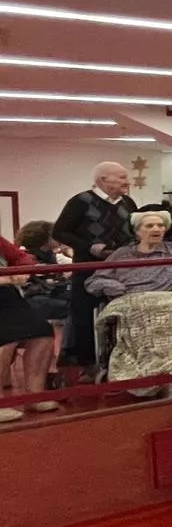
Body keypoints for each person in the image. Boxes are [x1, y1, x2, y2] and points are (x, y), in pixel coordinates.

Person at [86, 210, 172, 392]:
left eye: (160, 225)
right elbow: (93, 281)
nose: (156, 229)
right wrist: (112, 285)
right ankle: (150, 370)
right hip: (136, 300)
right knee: (143, 318)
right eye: (150, 226)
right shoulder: (121, 254)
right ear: (137, 231)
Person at [53, 161, 138, 376]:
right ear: (103, 179)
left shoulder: (128, 203)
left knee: (122, 310)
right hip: (88, 267)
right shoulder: (81, 202)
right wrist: (90, 247)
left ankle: (122, 357)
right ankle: (87, 362)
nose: (126, 181)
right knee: (85, 313)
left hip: (122, 268)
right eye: (120, 177)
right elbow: (60, 232)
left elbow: (135, 231)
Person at [0, 236, 58, 422]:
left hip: (6, 296)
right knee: (6, 340)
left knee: (43, 333)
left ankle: (34, 396)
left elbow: (21, 256)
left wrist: (22, 270)